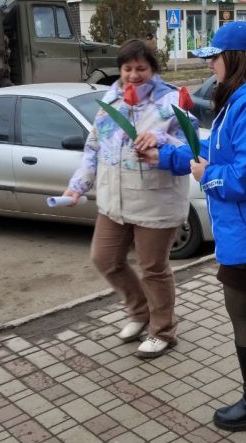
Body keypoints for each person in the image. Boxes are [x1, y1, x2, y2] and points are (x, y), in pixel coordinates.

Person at [141, 21, 246, 430]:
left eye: (213, 57)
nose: (210, 65)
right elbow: (214, 152)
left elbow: (243, 177)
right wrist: (167, 155)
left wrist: (205, 176)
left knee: (244, 313)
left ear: (232, 58)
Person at [63, 38, 196, 358]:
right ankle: (139, 312)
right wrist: (77, 186)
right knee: (104, 258)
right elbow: (93, 148)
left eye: (141, 68)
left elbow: (193, 149)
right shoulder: (112, 99)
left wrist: (161, 137)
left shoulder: (171, 101)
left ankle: (163, 330)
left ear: (153, 69)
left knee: (153, 269)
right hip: (114, 200)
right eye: (127, 68)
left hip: (155, 201)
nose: (133, 75)